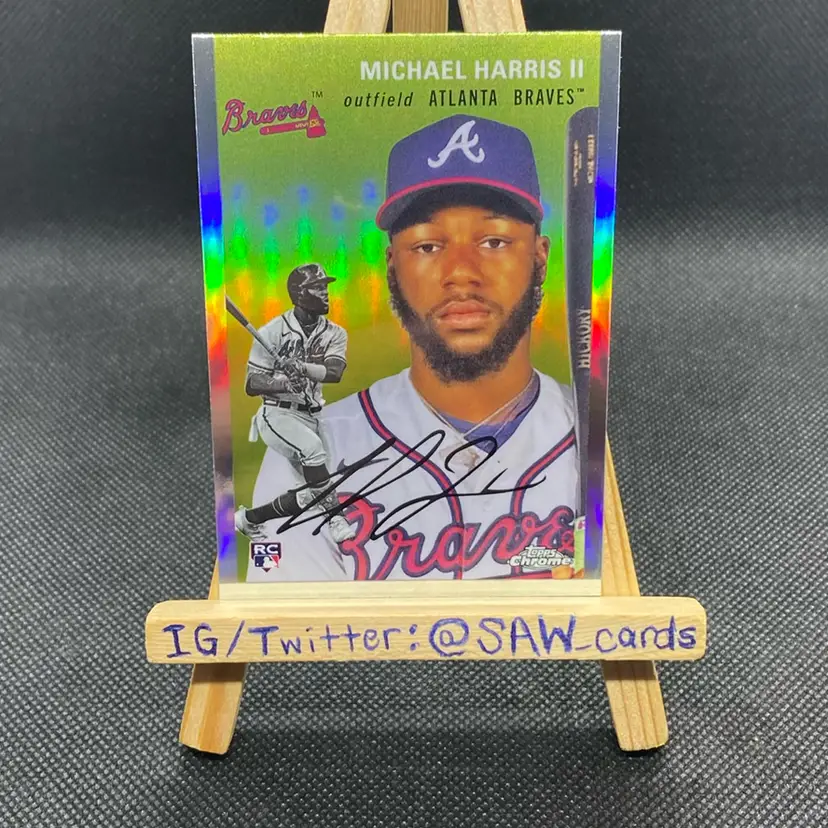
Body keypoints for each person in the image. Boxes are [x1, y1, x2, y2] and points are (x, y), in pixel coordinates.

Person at [248, 114, 578, 581]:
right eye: (427, 246)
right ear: (391, 267)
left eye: (494, 241)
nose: (461, 273)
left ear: (540, 257)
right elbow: (285, 619)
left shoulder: (587, 436)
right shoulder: (313, 450)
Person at [233, 263, 357, 556]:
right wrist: (283, 383)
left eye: (326, 287)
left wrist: (301, 367)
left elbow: (334, 372)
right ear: (299, 294)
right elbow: (251, 383)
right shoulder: (273, 331)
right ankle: (337, 518)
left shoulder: (335, 333)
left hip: (312, 415)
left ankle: (249, 518)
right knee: (313, 451)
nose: (325, 292)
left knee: (314, 493)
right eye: (318, 287)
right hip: (277, 414)